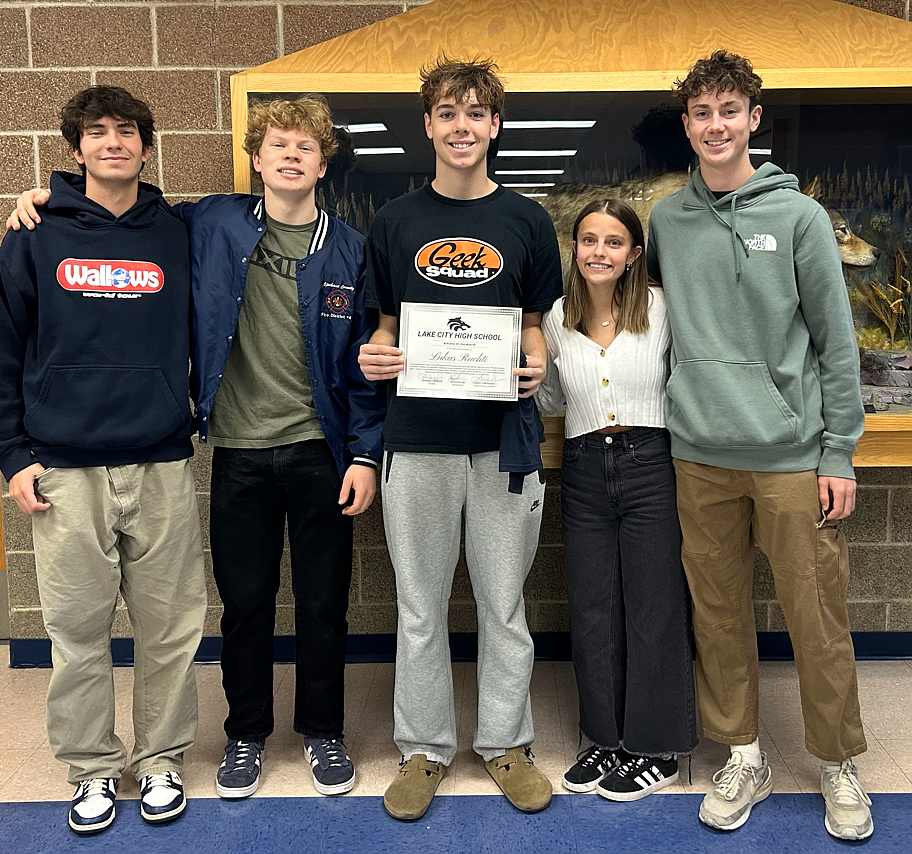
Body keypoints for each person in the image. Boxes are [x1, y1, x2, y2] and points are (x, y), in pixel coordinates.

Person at [10, 95, 384, 801]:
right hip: (237, 451)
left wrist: (365, 452)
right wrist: (47, 199)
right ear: (256, 158)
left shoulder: (349, 248)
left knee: (324, 602)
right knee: (243, 602)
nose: (292, 155)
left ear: (323, 162)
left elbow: (364, 360)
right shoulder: (208, 221)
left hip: (319, 451)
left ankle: (322, 731)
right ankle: (245, 733)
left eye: (306, 146)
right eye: (278, 144)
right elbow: (120, 214)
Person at [647, 50, 871, 840]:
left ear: (753, 120)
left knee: (817, 615)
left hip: (789, 455)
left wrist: (839, 450)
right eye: (701, 112)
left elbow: (836, 347)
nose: (715, 125)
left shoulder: (799, 218)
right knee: (717, 613)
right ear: (688, 126)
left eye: (729, 110)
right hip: (698, 452)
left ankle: (839, 761)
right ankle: (744, 751)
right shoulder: (666, 222)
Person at [0, 86, 207, 835]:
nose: (114, 142)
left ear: (147, 146)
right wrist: (11, 454)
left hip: (160, 459)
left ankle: (163, 757)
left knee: (170, 625)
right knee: (77, 629)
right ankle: (92, 768)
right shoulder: (35, 233)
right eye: (97, 131)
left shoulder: (177, 231)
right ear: (74, 149)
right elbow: (3, 348)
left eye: (128, 131)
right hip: (64, 466)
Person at [358, 57, 563, 821]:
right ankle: (423, 747)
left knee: (503, 603)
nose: (462, 126)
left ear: (496, 126)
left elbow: (536, 327)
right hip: (416, 441)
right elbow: (383, 330)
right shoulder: (396, 220)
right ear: (428, 126)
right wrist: (373, 356)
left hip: (502, 442)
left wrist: (535, 362)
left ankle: (506, 742)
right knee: (421, 604)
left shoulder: (526, 220)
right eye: (448, 113)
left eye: (476, 113)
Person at [536, 198, 697, 801]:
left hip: (650, 465)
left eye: (613, 242)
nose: (599, 252)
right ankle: (605, 739)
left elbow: (685, 382)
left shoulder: (662, 310)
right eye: (588, 241)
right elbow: (551, 399)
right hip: (581, 469)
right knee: (594, 608)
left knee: (653, 607)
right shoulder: (556, 317)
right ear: (574, 250)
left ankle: (654, 746)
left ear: (634, 254)